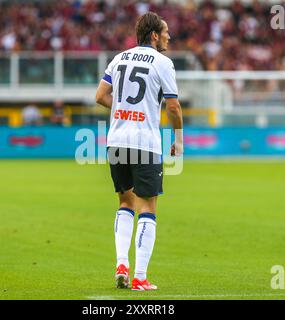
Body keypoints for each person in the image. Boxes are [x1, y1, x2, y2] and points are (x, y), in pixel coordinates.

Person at [95, 12, 183, 291]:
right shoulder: (163, 63)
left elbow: (99, 96)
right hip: (144, 141)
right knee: (148, 206)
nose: (169, 36)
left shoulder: (119, 58)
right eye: (165, 31)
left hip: (117, 138)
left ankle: (122, 264)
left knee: (125, 203)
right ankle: (140, 277)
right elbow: (173, 107)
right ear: (154, 35)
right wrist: (178, 140)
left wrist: (125, 110)